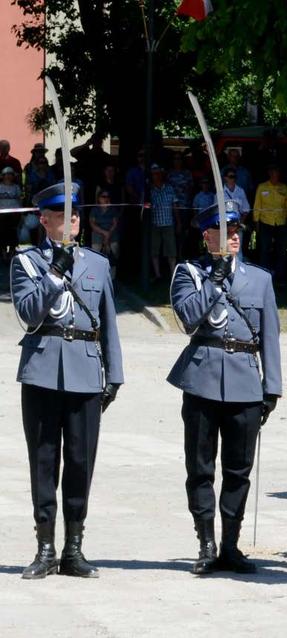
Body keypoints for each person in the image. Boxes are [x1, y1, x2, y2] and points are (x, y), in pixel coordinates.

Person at [11, 182, 123, 579]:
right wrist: (55, 270)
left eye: (74, 215)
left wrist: (115, 374)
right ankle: (45, 547)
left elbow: (107, 321)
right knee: (44, 460)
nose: (71, 222)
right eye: (61, 216)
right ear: (44, 220)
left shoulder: (97, 264)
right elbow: (28, 313)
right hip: (42, 370)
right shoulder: (26, 263)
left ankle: (74, 548)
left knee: (80, 461)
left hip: (86, 370)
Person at [167, 200, 282, 574]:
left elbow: (270, 337)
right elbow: (187, 318)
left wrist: (272, 387)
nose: (233, 236)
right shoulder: (190, 273)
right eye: (223, 231)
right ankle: (206, 543)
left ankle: (231, 544)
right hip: (201, 378)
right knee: (200, 468)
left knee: (238, 470)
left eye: (236, 230)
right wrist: (214, 280)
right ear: (207, 236)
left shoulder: (260, 278)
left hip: (246, 381)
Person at [253, 165, 287, 277]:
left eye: (277, 172)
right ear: (269, 173)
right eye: (273, 172)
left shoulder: (284, 188)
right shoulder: (262, 187)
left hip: (281, 222)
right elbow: (257, 205)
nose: (275, 174)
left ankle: (280, 276)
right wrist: (256, 222)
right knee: (265, 249)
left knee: (281, 251)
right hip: (265, 222)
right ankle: (263, 275)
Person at [148, 164, 180, 281]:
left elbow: (175, 205)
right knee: (154, 251)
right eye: (154, 174)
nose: (156, 176)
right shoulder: (149, 190)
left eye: (158, 173)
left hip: (168, 223)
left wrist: (178, 222)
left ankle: (172, 275)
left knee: (171, 251)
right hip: (155, 224)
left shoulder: (170, 188)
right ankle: (158, 275)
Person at [88, 189, 121, 278]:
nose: (106, 198)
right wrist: (104, 233)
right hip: (98, 233)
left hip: (111, 233)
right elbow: (92, 224)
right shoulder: (94, 209)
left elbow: (115, 223)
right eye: (103, 196)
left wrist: (108, 234)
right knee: (96, 251)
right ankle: (96, 276)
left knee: (114, 250)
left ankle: (112, 278)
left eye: (108, 197)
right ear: (99, 198)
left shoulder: (113, 209)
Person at [1, 166, 23, 258]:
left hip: (14, 212)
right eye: (6, 174)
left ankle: (12, 249)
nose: (8, 176)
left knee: (13, 230)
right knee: (2, 230)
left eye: (10, 174)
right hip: (1, 213)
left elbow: (19, 199)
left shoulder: (16, 187)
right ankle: (2, 249)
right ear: (3, 176)